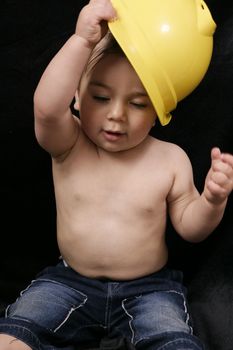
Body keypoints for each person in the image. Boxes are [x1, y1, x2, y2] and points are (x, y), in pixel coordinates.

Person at [0, 0, 233, 349]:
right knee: (15, 334)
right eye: (100, 96)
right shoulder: (70, 144)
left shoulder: (170, 159)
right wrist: (81, 40)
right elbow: (47, 110)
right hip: (69, 281)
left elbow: (190, 227)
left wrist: (212, 201)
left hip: (150, 289)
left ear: (158, 112)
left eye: (138, 103)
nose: (116, 115)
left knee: (175, 342)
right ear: (76, 97)